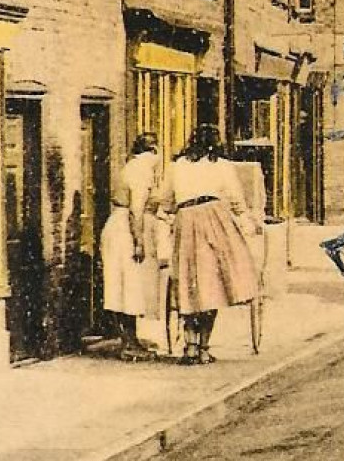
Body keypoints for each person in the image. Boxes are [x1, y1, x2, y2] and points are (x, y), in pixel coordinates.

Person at [163, 125, 259, 365]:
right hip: (215, 219)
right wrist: (247, 221)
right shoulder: (223, 166)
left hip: (186, 219)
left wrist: (170, 217)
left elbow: (164, 201)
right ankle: (204, 347)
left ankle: (190, 345)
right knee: (213, 284)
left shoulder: (177, 166)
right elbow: (236, 200)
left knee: (188, 282)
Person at [101, 133, 165, 360]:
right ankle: (128, 343)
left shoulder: (131, 166)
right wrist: (138, 241)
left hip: (119, 225)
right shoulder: (142, 170)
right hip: (125, 231)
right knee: (128, 286)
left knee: (127, 286)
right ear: (154, 151)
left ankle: (131, 340)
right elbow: (135, 210)